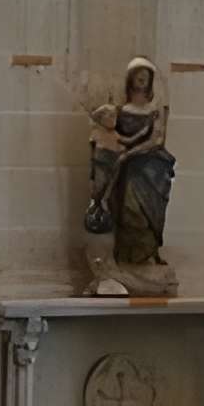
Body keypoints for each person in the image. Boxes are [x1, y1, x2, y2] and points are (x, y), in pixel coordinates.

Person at [86, 58, 176, 277]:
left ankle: (147, 256)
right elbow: (111, 135)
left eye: (146, 76)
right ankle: (129, 258)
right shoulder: (121, 111)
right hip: (127, 170)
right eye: (138, 75)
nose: (142, 79)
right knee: (128, 211)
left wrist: (129, 153)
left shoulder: (156, 110)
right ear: (130, 79)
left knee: (150, 213)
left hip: (153, 169)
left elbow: (156, 140)